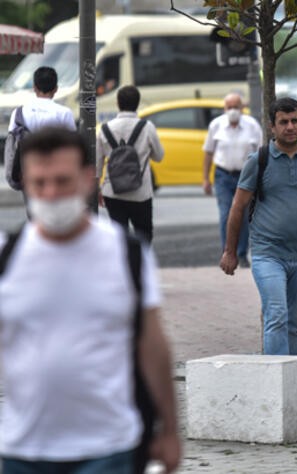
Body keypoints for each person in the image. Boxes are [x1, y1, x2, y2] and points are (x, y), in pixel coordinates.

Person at [0, 128, 181, 473]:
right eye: (40, 183)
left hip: (108, 447)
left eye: (62, 181)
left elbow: (154, 347)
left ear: (87, 179)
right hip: (23, 449)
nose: (51, 194)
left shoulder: (126, 254)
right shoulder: (8, 257)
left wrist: (169, 430)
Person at [220, 97, 297, 355]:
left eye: (294, 121)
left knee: (296, 324)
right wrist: (230, 251)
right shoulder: (259, 160)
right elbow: (237, 207)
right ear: (272, 127)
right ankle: (274, 383)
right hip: (268, 254)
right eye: (283, 122)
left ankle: (291, 384)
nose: (290, 127)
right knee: (276, 314)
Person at [96, 85, 164, 243]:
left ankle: (123, 266)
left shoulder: (105, 129)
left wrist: (97, 188)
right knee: (144, 233)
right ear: (138, 103)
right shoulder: (147, 127)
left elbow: (97, 164)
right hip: (141, 192)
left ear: (117, 103)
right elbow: (159, 156)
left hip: (112, 191)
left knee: (119, 236)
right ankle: (140, 265)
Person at [203, 93, 262, 267]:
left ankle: (242, 253)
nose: (233, 111)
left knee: (243, 215)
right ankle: (228, 253)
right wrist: (205, 178)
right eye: (230, 107)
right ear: (224, 108)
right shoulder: (216, 125)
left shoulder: (252, 126)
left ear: (242, 107)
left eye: (236, 106)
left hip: (246, 175)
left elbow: (261, 152)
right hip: (223, 175)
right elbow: (208, 152)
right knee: (225, 214)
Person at [4, 66, 76, 191]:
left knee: (32, 208)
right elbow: (73, 145)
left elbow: (11, 144)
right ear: (56, 89)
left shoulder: (19, 112)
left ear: (34, 88)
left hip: (28, 172)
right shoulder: (64, 113)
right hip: (57, 174)